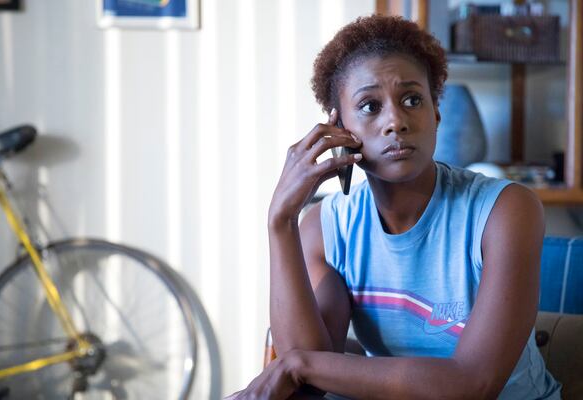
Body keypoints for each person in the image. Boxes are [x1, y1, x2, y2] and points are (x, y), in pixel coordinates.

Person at [230, 14, 561, 399]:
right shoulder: (327, 228)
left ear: (436, 114)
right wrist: (280, 222)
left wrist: (297, 363)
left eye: (412, 100)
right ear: (339, 130)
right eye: (370, 106)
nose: (396, 121)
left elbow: (473, 385)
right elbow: (309, 379)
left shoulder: (505, 210)